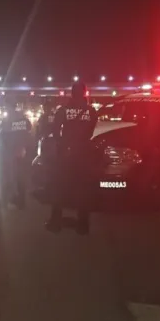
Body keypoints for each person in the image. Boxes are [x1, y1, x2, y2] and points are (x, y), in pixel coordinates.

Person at [46, 82, 98, 235]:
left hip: (66, 155)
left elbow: (55, 131)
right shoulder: (91, 111)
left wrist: (63, 144)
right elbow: (91, 131)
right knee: (83, 190)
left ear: (71, 93)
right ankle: (83, 225)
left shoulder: (63, 110)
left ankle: (55, 223)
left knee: (59, 188)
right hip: (84, 154)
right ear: (84, 93)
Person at [0, 99, 33, 209]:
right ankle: (21, 199)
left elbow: (2, 133)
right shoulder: (23, 118)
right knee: (21, 176)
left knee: (13, 176)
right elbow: (29, 128)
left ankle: (17, 200)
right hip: (23, 151)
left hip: (12, 152)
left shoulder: (8, 120)